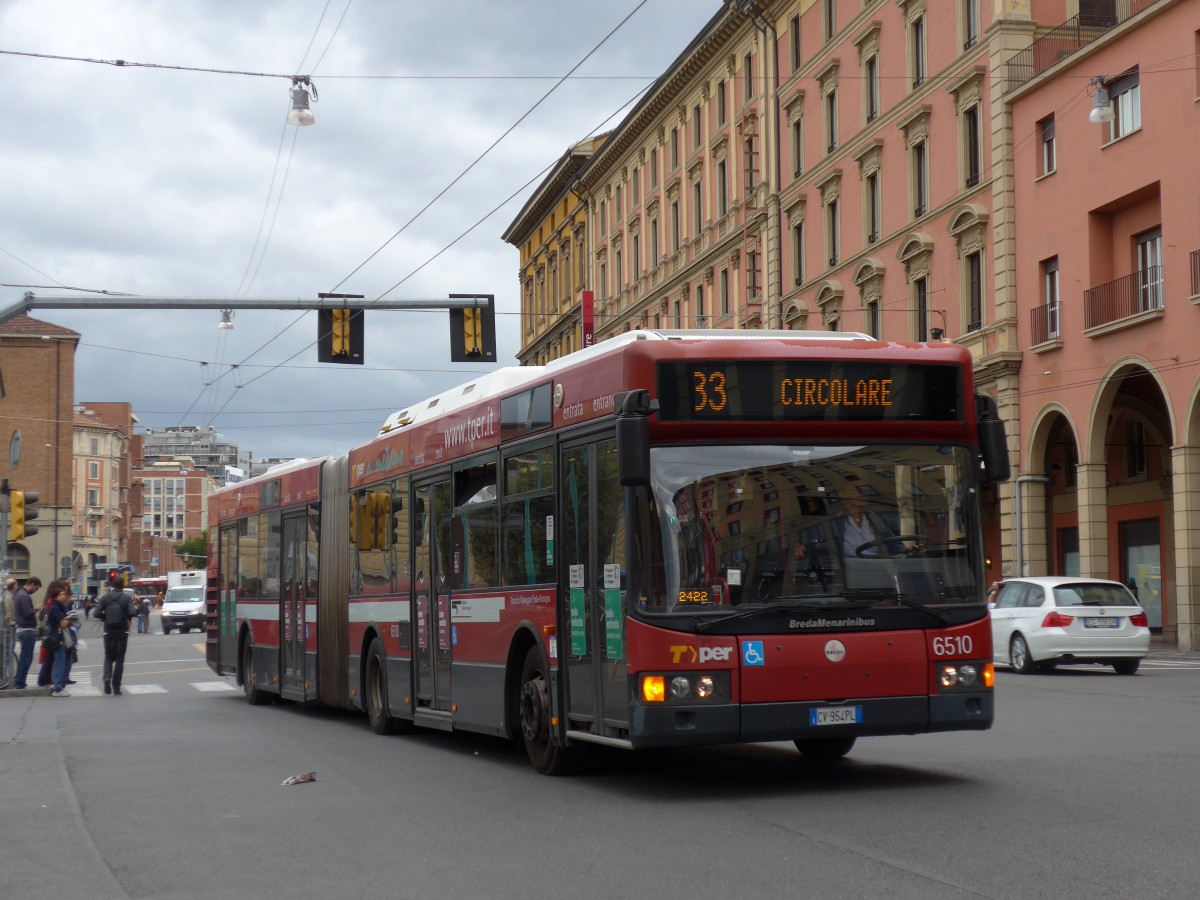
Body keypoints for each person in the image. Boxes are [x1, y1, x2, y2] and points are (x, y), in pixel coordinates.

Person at [94, 575, 135, 695]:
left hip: (108, 630)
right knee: (119, 659)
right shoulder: (126, 598)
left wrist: (105, 617)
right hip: (122, 631)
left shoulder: (105, 598)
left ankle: (107, 678)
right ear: (123, 586)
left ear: (112, 586)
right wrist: (126, 616)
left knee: (108, 657)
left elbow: (96, 613)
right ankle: (116, 686)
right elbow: (132, 612)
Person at [43, 580, 72, 696]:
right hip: (58, 638)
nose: (63, 596)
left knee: (64, 661)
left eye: (64, 594)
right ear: (55, 596)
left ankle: (60, 685)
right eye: (60, 595)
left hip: (61, 637)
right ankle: (58, 688)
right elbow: (63, 623)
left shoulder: (60, 606)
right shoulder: (55, 608)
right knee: (59, 662)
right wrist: (70, 618)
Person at [12, 576, 41, 691]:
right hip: (26, 630)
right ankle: (20, 682)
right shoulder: (24, 596)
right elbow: (27, 613)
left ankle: (19, 681)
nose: (36, 591)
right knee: (26, 658)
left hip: (24, 630)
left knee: (25, 657)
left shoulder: (20, 594)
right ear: (32, 584)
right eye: (36, 588)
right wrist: (36, 609)